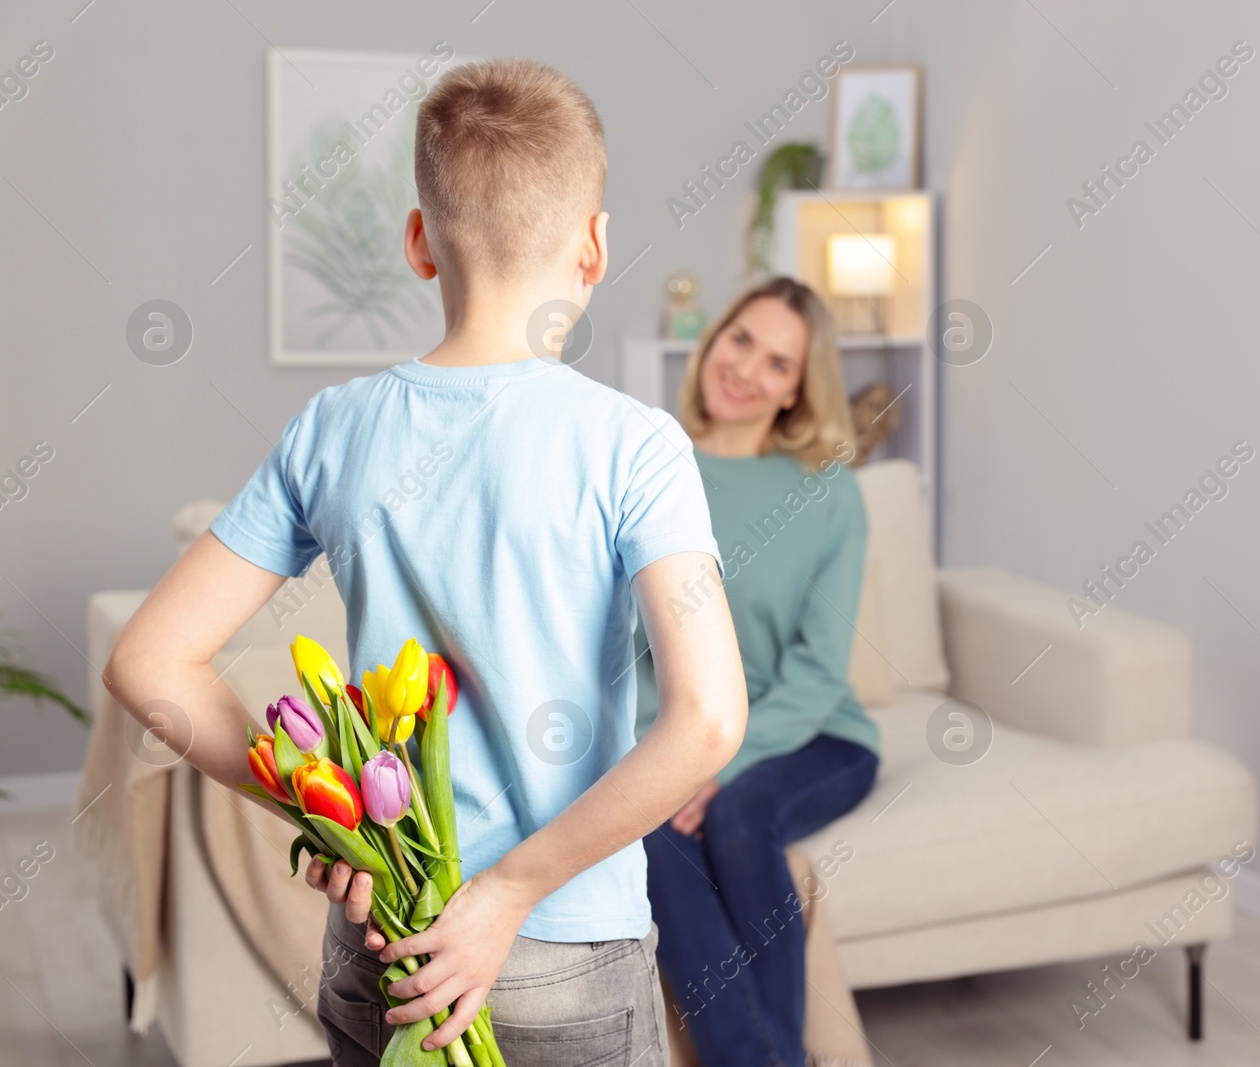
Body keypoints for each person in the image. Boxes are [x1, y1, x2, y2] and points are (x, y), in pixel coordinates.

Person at [102, 59, 748, 1067]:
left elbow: (148, 663)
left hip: (386, 942)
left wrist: (337, 818)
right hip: (568, 950)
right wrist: (508, 891)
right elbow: (707, 719)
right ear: (594, 245)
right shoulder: (635, 444)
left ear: (418, 242)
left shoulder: (335, 428)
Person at [634, 277, 880, 1067]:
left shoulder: (829, 493)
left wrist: (721, 762)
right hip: (685, 733)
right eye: (741, 338)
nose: (746, 368)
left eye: (778, 363)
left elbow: (817, 671)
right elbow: (627, 645)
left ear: (797, 391)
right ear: (714, 337)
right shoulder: (649, 462)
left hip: (814, 736)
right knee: (651, 836)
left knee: (738, 817)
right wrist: (670, 762)